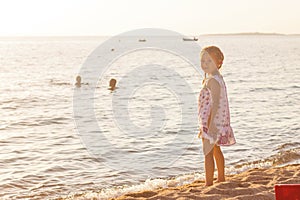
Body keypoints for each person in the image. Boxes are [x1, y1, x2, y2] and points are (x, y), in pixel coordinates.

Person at [198, 46, 236, 186]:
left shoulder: (213, 81)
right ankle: (221, 177)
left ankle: (209, 183)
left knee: (208, 152)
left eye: (209, 60)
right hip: (216, 120)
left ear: (219, 62)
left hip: (212, 121)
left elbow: (215, 104)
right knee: (215, 149)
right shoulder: (218, 78)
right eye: (203, 61)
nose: (205, 64)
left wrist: (210, 124)